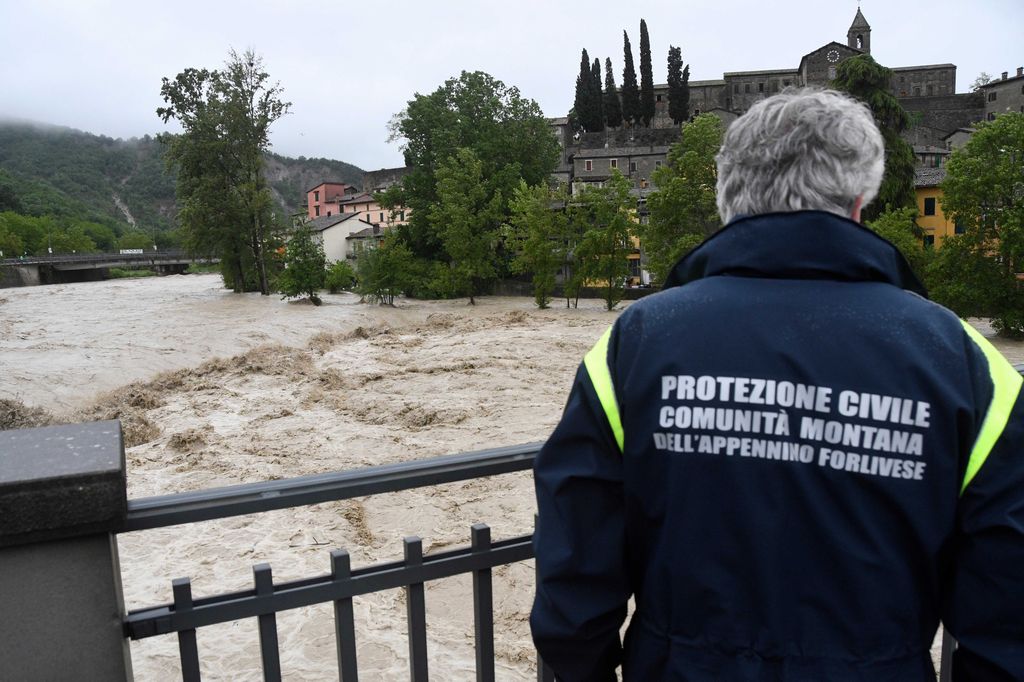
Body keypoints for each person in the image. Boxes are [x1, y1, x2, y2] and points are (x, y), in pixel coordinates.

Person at [530, 89, 1024, 681]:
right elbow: (1009, 606)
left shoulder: (636, 343)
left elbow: (575, 565)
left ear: (727, 200)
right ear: (860, 202)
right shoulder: (963, 360)